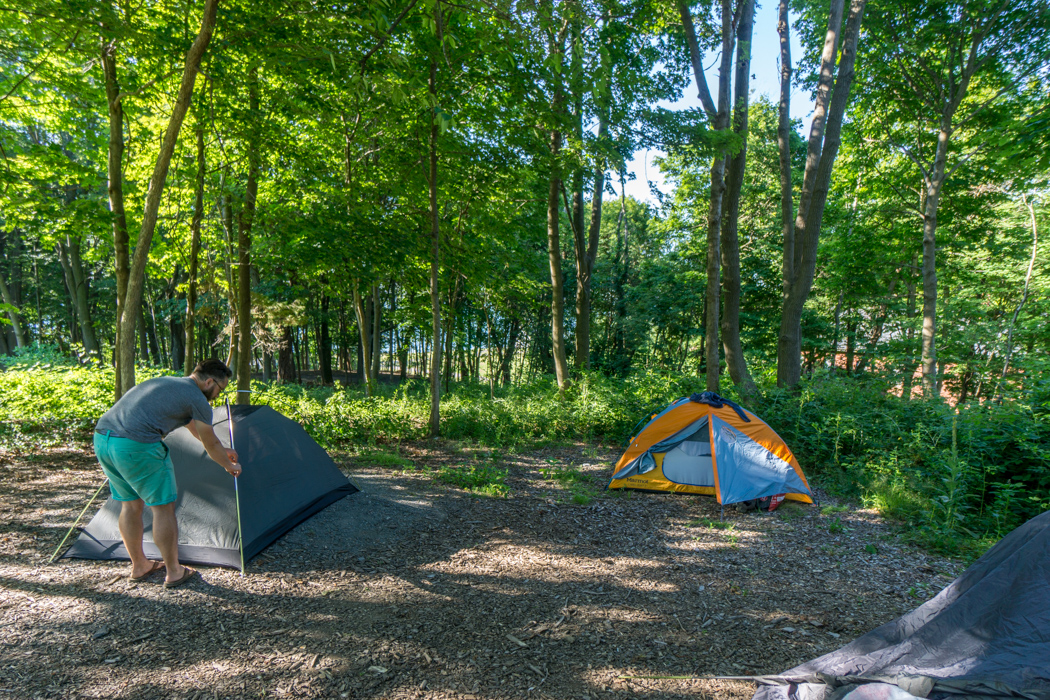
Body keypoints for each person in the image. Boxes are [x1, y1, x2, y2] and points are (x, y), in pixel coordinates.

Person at [93, 359, 242, 588]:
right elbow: (209, 442)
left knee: (129, 504)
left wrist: (224, 449)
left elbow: (196, 429)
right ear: (209, 381)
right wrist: (228, 465)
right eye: (220, 389)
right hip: (137, 446)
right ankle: (174, 571)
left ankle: (140, 565)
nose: (218, 394)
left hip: (104, 439)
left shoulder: (169, 383)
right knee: (162, 508)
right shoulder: (197, 398)